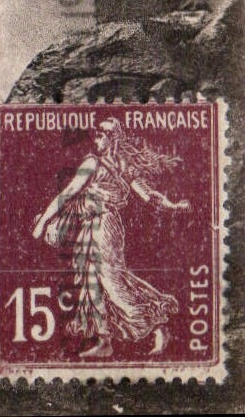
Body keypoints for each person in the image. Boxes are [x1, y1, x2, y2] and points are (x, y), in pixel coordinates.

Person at [32, 117, 190, 357]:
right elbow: (69, 193)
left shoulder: (121, 167)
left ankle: (156, 327)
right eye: (96, 133)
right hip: (88, 225)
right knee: (90, 282)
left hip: (105, 224)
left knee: (111, 280)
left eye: (104, 133)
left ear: (114, 137)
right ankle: (103, 340)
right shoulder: (91, 162)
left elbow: (147, 195)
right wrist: (45, 221)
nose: (98, 137)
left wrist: (173, 205)